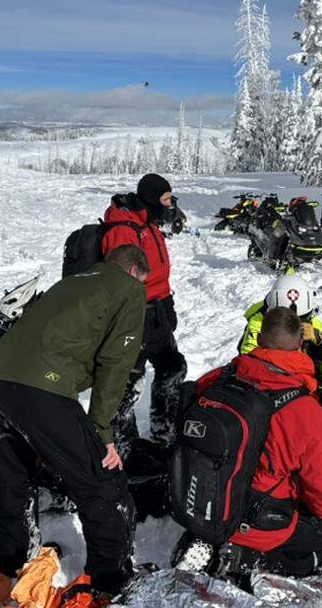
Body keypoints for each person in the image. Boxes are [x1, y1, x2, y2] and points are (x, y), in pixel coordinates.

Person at [0, 245, 149, 607]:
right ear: (133, 272)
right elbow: (116, 362)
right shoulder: (128, 288)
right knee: (103, 484)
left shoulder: (69, 283)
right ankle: (112, 583)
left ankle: (12, 567)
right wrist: (102, 431)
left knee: (14, 479)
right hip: (41, 388)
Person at [177, 308, 322, 580]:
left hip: (206, 498)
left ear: (259, 339)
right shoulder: (304, 409)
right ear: (300, 345)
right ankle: (246, 558)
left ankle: (207, 543)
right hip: (259, 519)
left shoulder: (223, 376)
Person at [102, 173, 188, 455]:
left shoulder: (147, 223)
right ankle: (124, 447)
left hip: (157, 311)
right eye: (165, 198)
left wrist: (165, 304)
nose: (170, 203)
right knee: (129, 382)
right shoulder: (125, 230)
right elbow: (121, 282)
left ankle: (164, 431)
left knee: (172, 367)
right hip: (136, 315)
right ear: (152, 199)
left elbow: (155, 271)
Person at [237, 274, 322, 419]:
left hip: (301, 384)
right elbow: (251, 367)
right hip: (271, 389)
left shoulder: (313, 325)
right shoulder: (259, 324)